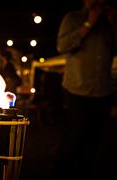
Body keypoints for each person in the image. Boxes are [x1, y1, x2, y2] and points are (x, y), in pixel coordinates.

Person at [51, 0, 117, 178]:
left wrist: (113, 23)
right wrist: (88, 24)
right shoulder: (73, 18)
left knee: (93, 144)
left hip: (103, 90)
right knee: (73, 139)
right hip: (77, 90)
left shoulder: (110, 21)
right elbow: (62, 46)